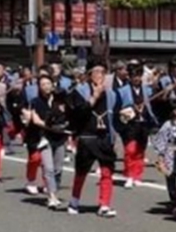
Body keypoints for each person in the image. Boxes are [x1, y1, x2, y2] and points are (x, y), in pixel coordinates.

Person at [65, 64, 117, 218]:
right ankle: (74, 201)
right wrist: (93, 97)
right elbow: (76, 113)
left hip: (104, 136)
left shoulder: (111, 94)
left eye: (103, 72)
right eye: (97, 72)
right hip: (87, 136)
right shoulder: (80, 92)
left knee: (107, 171)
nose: (101, 75)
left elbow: (115, 115)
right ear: (89, 75)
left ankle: (105, 204)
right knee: (81, 172)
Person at [23, 75, 69, 210]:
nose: (46, 86)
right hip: (44, 137)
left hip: (60, 137)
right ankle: (52, 196)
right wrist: (49, 127)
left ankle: (54, 189)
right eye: (43, 84)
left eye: (48, 83)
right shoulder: (35, 101)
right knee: (48, 168)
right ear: (39, 87)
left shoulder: (60, 100)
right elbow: (36, 120)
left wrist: (64, 126)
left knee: (58, 169)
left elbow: (68, 115)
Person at [151, 96, 176, 207]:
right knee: (171, 176)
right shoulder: (167, 125)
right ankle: (174, 199)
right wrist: (161, 157)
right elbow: (161, 140)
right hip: (171, 153)